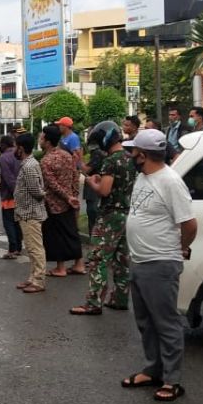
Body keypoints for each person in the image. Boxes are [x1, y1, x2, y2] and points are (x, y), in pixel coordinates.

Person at [120, 129, 196, 402]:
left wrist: (181, 248)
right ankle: (153, 370)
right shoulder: (143, 176)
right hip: (139, 260)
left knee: (166, 323)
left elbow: (189, 224)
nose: (129, 154)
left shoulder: (170, 181)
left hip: (160, 262)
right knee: (145, 322)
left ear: (142, 155)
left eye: (132, 151)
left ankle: (172, 380)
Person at [71, 121, 137, 316]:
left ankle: (93, 302)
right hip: (127, 214)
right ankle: (120, 298)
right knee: (121, 259)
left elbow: (104, 190)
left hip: (110, 215)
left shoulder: (111, 160)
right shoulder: (128, 157)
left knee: (97, 258)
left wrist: (91, 182)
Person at [40, 125, 85, 277]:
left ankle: (61, 268)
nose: (40, 140)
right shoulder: (66, 155)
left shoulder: (46, 161)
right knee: (72, 232)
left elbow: (52, 184)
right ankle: (79, 264)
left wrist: (67, 197)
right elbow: (75, 174)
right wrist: (73, 195)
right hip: (70, 202)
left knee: (57, 236)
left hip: (54, 204)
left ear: (47, 142)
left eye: (41, 138)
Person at [13, 132, 47, 293]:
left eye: (16, 146)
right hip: (26, 212)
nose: (14, 149)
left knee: (35, 248)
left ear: (21, 148)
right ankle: (33, 277)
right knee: (31, 248)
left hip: (31, 213)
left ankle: (38, 280)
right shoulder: (28, 164)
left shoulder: (29, 166)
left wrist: (42, 194)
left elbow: (37, 190)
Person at [0, 134, 23, 259]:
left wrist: (15, 192)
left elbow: (8, 178)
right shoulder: (19, 155)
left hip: (9, 195)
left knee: (9, 223)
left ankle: (12, 249)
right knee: (17, 223)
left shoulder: (4, 157)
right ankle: (18, 248)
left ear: (3, 145)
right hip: (22, 194)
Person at [81, 131, 105, 235]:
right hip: (94, 186)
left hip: (94, 187)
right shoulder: (100, 152)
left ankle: (95, 238)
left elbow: (86, 170)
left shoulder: (97, 153)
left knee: (93, 212)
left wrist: (79, 159)